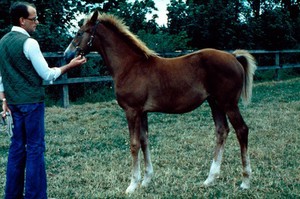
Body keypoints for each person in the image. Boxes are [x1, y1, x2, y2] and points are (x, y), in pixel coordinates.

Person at [0, 2, 87, 198]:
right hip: (31, 104)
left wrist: (3, 100)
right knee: (35, 149)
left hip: (14, 104)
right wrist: (69, 66)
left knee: (16, 149)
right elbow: (47, 74)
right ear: (22, 21)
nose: (37, 22)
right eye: (34, 18)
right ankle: (35, 195)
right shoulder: (30, 43)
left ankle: (11, 195)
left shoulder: (2, 42)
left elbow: (1, 75)